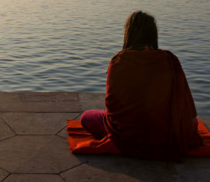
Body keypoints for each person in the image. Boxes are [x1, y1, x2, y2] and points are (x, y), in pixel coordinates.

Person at [80, 11, 202, 161]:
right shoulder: (170, 59)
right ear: (153, 34)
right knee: (194, 123)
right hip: (166, 134)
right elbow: (185, 105)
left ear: (129, 34)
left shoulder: (119, 62)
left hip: (129, 135)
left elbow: (112, 107)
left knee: (86, 117)